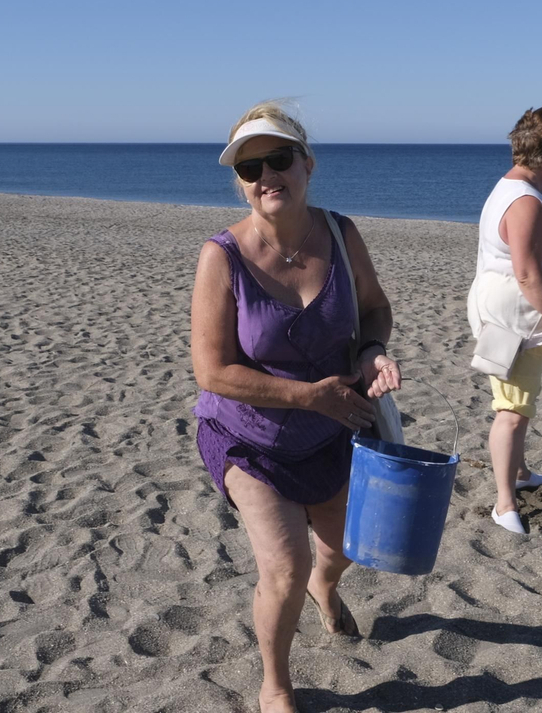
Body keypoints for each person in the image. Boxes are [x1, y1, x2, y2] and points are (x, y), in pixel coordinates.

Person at [189, 101, 402, 713]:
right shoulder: (221, 257)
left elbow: (375, 309)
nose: (265, 176)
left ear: (307, 165)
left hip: (333, 429)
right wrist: (309, 396)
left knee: (339, 553)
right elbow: (212, 371)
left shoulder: (340, 232)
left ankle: (325, 590)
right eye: (249, 167)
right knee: (284, 565)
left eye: (278, 159)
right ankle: (275, 685)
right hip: (248, 437)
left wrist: (371, 352)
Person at [467, 106, 542, 535]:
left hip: (514, 315)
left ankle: (519, 473)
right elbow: (527, 273)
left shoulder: (515, 189)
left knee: (520, 399)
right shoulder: (524, 201)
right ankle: (504, 503)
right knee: (511, 410)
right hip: (514, 320)